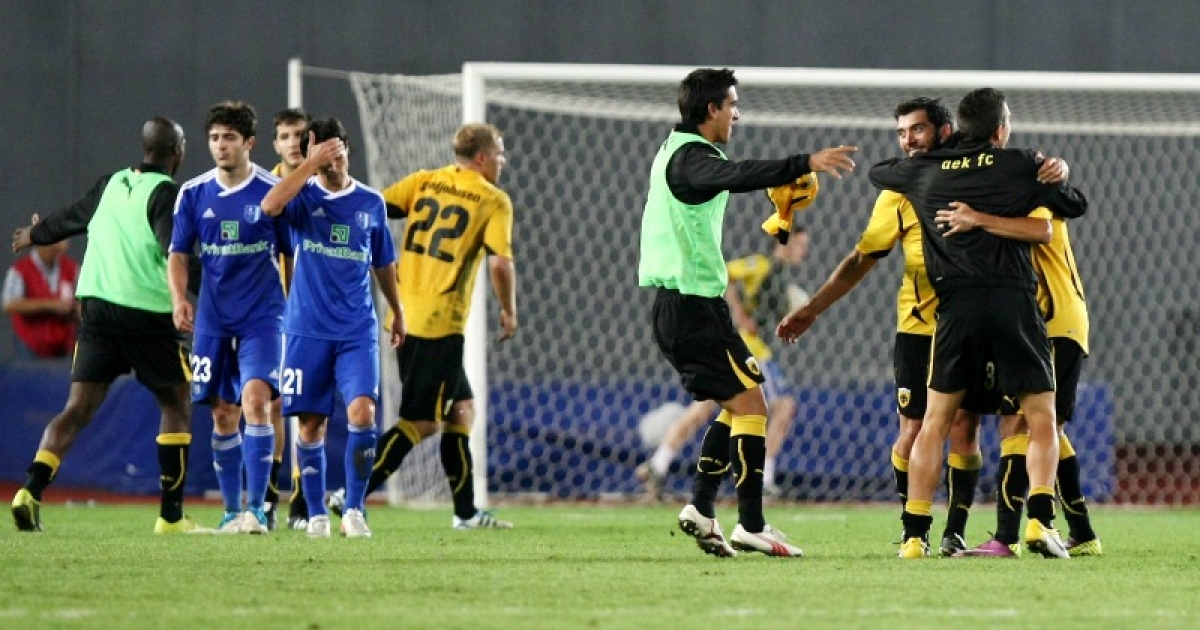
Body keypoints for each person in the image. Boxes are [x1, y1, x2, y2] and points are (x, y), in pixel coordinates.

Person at [776, 97, 1068, 556]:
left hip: (963, 313)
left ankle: (955, 531)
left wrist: (1055, 170)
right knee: (917, 430)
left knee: (970, 425)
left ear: (946, 131)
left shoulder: (952, 175)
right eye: (901, 133)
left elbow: (1048, 219)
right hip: (922, 324)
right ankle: (918, 529)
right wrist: (814, 308)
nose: (908, 140)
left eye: (917, 130)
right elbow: (862, 258)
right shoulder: (905, 188)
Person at [638, 67, 857, 558]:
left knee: (740, 403)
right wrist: (803, 163)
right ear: (712, 109)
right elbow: (735, 175)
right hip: (691, 308)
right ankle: (751, 524)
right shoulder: (691, 157)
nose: (736, 115)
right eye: (732, 105)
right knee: (754, 406)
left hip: (692, 306)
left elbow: (730, 175)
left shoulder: (677, 151)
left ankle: (702, 508)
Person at [868, 88, 1087, 559]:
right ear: (1000, 128)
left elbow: (878, 171)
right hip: (1013, 301)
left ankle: (914, 536)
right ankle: (1040, 523)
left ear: (955, 129)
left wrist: (936, 162)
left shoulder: (922, 170)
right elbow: (1072, 205)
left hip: (954, 306)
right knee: (1039, 417)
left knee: (935, 421)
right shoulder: (1020, 164)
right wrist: (1058, 170)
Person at [9, 117, 200, 534]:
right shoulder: (167, 193)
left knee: (76, 409)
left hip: (95, 310)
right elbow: (174, 252)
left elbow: (71, 217)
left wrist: (35, 234)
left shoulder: (110, 184)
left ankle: (30, 491)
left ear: (145, 148)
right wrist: (212, 292)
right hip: (147, 315)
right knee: (176, 403)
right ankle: (171, 516)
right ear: (178, 152)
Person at [328, 122, 518, 530]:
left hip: (404, 314)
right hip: (439, 325)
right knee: (422, 421)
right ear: (482, 158)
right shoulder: (493, 199)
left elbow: (373, 207)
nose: (502, 160)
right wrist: (508, 309)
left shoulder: (424, 182)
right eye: (499, 153)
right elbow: (500, 264)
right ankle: (351, 493)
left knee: (462, 409)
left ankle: (465, 514)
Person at [260, 117, 404, 538]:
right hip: (306, 329)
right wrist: (309, 164)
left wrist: (398, 310)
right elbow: (269, 207)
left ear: (346, 150)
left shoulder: (371, 202)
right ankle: (316, 512)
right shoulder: (302, 197)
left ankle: (355, 509)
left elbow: (383, 263)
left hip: (356, 329)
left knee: (364, 412)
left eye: (336, 152)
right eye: (323, 155)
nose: (332, 162)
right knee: (310, 426)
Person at [942, 200, 1103, 557]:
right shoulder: (1020, 195)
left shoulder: (1028, 196)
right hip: (1042, 322)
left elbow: (1040, 229)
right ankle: (1081, 531)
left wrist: (977, 218)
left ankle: (1010, 536)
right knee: (1045, 427)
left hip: (1053, 320)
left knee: (1021, 423)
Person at [168, 101, 288, 534]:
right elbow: (178, 254)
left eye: (230, 138)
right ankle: (231, 511)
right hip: (213, 320)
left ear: (249, 143)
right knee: (222, 414)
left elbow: (291, 253)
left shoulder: (272, 192)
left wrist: (295, 303)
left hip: (262, 318)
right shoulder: (193, 193)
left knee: (256, 402)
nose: (221, 145)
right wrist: (179, 299)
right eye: (215, 138)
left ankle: (257, 509)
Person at [636, 229, 810, 502]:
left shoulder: (781, 277)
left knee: (707, 406)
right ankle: (763, 479)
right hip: (750, 349)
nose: (803, 251)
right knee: (783, 406)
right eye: (799, 244)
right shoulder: (761, 265)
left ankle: (658, 464)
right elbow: (726, 273)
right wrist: (739, 315)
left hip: (739, 348)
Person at [270, 106, 312, 531]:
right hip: (270, 314)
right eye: (285, 136)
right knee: (270, 403)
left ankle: (301, 497)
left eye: (299, 134)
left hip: (314, 316)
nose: (293, 142)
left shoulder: (326, 185)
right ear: (275, 144)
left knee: (306, 406)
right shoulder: (266, 187)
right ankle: (267, 493)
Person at [3, 241, 79, 358]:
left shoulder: (71, 268)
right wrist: (50, 305)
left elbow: (81, 302)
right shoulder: (20, 269)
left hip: (63, 344)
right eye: (54, 247)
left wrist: (74, 309)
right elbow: (9, 304)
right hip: (30, 344)